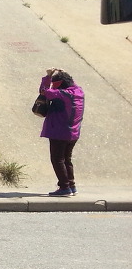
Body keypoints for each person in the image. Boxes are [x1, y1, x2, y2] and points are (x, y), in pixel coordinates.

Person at [39, 67, 85, 197]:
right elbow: (70, 82)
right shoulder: (79, 91)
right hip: (73, 133)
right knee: (67, 159)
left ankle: (64, 187)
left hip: (59, 132)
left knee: (57, 159)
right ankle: (71, 186)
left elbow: (43, 91)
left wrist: (48, 77)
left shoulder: (62, 94)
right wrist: (64, 74)